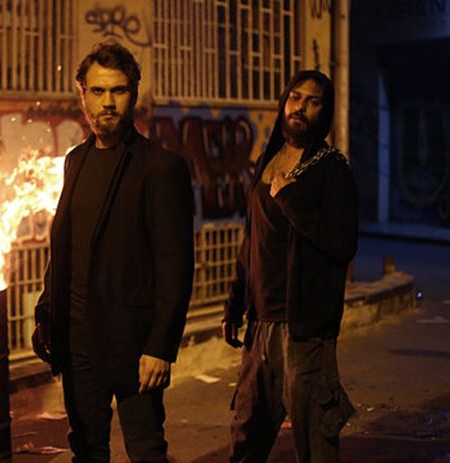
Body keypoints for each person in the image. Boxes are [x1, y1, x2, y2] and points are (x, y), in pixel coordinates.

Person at [31, 42, 195, 462]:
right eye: (99, 91)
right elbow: (64, 248)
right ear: (82, 94)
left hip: (134, 342)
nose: (108, 102)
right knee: (87, 448)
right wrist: (48, 311)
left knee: (146, 450)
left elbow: (175, 267)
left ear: (133, 94)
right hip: (77, 341)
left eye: (118, 91)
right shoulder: (76, 161)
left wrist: (160, 346)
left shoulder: (161, 167)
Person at [222, 70, 357, 462]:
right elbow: (252, 240)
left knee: (315, 444)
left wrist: (291, 200)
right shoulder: (269, 160)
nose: (300, 107)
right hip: (259, 325)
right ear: (284, 102)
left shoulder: (332, 169)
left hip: (304, 330)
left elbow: (342, 244)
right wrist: (234, 304)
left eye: (313, 101)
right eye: (295, 98)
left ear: (323, 112)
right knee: (245, 435)